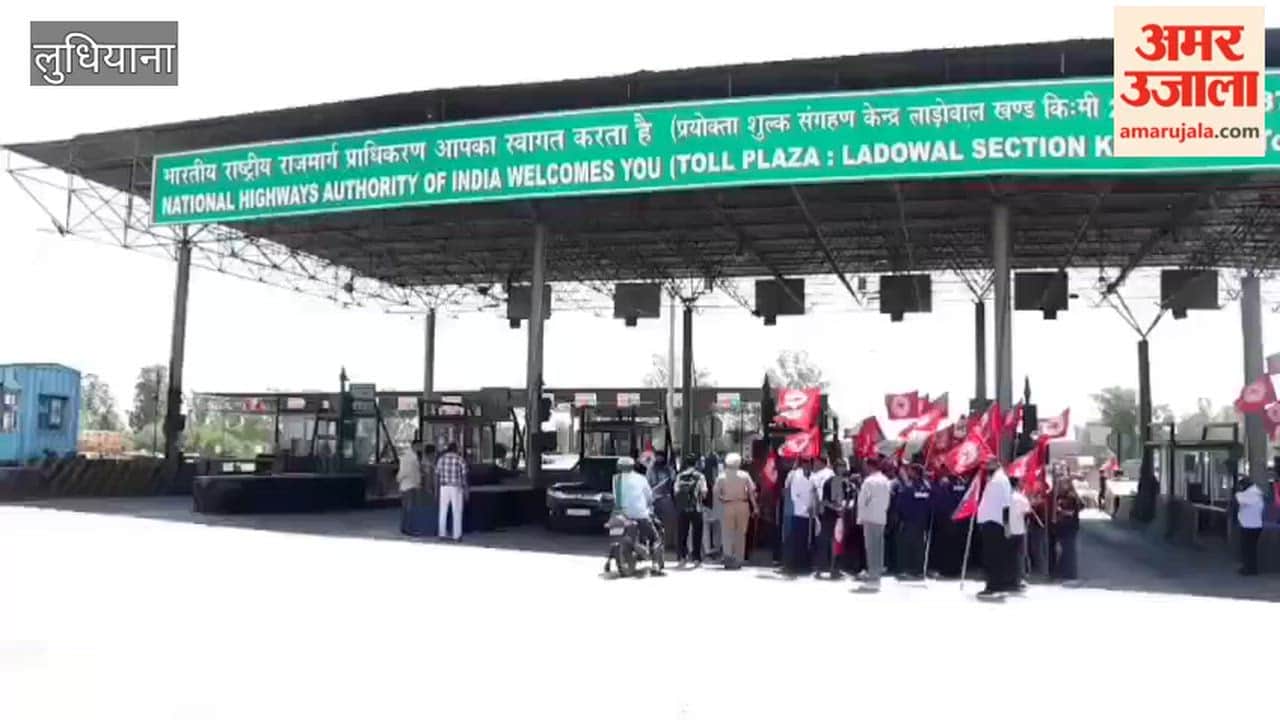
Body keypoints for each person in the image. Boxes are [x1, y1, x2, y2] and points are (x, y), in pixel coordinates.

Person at [976, 458, 1013, 598]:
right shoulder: (994, 479)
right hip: (990, 522)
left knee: (993, 557)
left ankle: (994, 586)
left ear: (997, 464)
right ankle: (995, 584)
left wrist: (1007, 524)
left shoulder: (1000, 480)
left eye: (989, 463)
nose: (986, 466)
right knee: (992, 556)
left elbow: (1005, 504)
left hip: (995, 523)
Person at [716, 452, 757, 569]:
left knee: (728, 533)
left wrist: (723, 499)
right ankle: (739, 559)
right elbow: (751, 493)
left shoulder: (721, 476)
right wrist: (755, 507)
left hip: (728, 506)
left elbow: (716, 493)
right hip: (742, 505)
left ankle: (728, 558)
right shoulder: (744, 475)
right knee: (741, 533)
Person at [856, 457, 892, 586]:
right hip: (881, 516)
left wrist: (860, 517)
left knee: (871, 546)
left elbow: (862, 501)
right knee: (879, 545)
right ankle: (878, 570)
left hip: (870, 516)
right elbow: (888, 501)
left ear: (870, 466)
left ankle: (872, 572)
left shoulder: (869, 481)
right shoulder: (886, 481)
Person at [892, 463, 931, 580]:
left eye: (910, 471)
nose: (909, 473)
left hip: (909, 521)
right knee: (919, 547)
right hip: (922, 522)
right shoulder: (927, 486)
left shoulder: (909, 487)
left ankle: (904, 569)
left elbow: (901, 503)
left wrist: (900, 516)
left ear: (915, 473)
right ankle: (918, 569)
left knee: (905, 546)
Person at [612, 456, 660, 549]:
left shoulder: (616, 479)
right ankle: (653, 547)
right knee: (654, 537)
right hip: (640, 514)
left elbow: (616, 497)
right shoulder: (641, 478)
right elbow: (649, 496)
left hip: (622, 515)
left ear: (619, 467)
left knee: (614, 530)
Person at [929, 473, 968, 577]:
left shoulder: (946, 484)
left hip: (948, 518)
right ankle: (955, 569)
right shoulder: (963, 484)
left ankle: (948, 569)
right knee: (955, 545)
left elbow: (940, 502)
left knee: (947, 546)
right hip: (958, 519)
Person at [673, 454, 708, 565]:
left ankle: (682, 557)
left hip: (682, 509)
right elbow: (704, 492)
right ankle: (696, 558)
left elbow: (676, 491)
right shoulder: (700, 476)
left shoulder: (680, 476)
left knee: (682, 533)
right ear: (696, 463)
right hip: (696, 508)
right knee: (697, 533)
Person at [1049, 471, 1083, 581]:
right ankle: (1062, 572)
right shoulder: (1060, 496)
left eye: (1062, 484)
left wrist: (1060, 511)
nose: (1059, 486)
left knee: (1069, 551)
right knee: (1064, 551)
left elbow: (1071, 512)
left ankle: (1070, 574)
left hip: (1069, 527)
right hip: (1062, 528)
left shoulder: (1071, 496)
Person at [811, 457, 841, 577]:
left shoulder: (833, 480)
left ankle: (823, 568)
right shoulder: (834, 480)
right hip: (831, 515)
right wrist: (838, 508)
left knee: (826, 541)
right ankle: (830, 568)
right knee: (832, 541)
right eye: (841, 467)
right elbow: (832, 501)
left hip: (826, 514)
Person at [436, 442, 469, 541]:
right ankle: (457, 535)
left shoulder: (441, 459)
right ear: (456, 449)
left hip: (443, 487)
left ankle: (441, 534)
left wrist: (436, 489)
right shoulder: (460, 459)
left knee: (443, 511)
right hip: (456, 487)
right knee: (457, 511)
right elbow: (464, 476)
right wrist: (466, 490)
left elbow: (436, 475)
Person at [1234, 478, 1266, 576]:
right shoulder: (1257, 493)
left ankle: (1248, 569)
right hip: (1255, 525)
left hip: (1249, 526)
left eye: (1241, 486)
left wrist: (1237, 492)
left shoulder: (1251, 494)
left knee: (1247, 549)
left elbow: (1239, 499)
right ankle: (1252, 568)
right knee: (1251, 549)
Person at [647, 452, 678, 548]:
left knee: (669, 522)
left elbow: (674, 481)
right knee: (655, 523)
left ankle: (668, 543)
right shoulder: (651, 470)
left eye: (661, 457)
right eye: (657, 457)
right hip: (654, 499)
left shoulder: (669, 470)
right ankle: (656, 543)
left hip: (666, 498)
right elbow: (648, 484)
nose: (659, 459)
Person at [1009, 476, 1032, 591]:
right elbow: (1028, 511)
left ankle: (1008, 579)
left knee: (1008, 556)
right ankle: (1017, 581)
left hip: (1006, 530)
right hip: (1018, 530)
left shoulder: (1004, 496)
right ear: (1017, 484)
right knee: (1019, 557)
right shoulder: (1020, 498)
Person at [397, 440, 423, 535]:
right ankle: (409, 529)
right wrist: (418, 483)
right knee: (409, 508)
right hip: (410, 485)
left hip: (406, 484)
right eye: (420, 446)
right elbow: (407, 471)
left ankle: (404, 527)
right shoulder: (411, 457)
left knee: (405, 508)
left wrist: (399, 479)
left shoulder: (407, 455)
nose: (421, 448)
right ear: (415, 446)